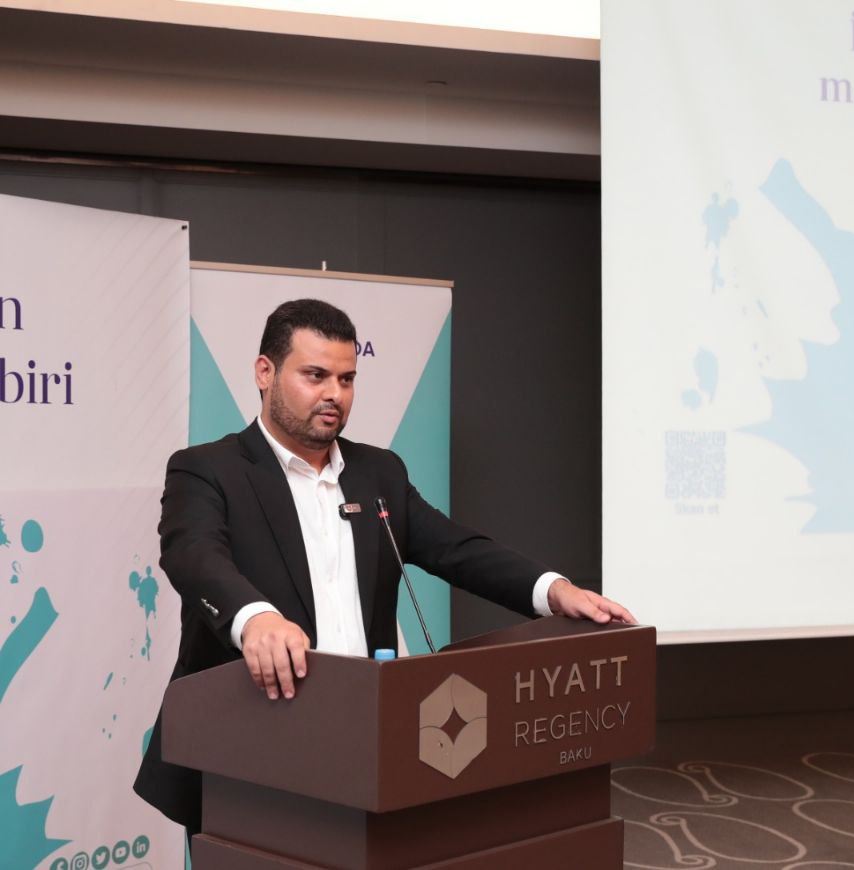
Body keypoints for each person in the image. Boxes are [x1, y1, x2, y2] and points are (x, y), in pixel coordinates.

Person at [133, 298, 634, 834]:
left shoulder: (379, 472)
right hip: (249, 746)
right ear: (264, 373)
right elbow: (193, 554)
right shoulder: (206, 469)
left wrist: (553, 590)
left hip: (364, 737)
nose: (334, 394)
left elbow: (456, 548)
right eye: (315, 375)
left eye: (347, 379)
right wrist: (255, 617)